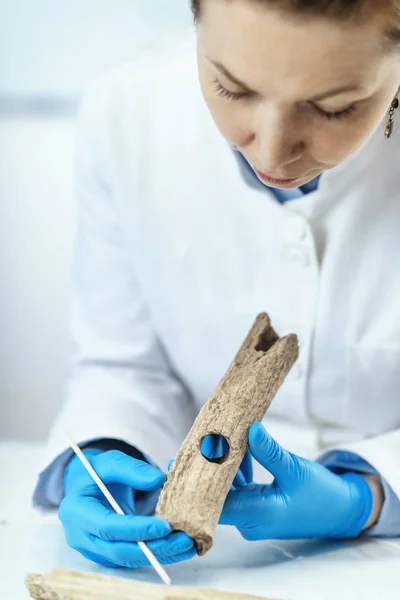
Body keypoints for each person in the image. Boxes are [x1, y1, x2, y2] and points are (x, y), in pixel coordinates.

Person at [33, 0, 400, 570]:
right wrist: (103, 452)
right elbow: (125, 366)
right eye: (232, 89)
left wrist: (367, 495)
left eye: (334, 109)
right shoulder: (127, 111)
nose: (272, 151)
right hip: (209, 561)